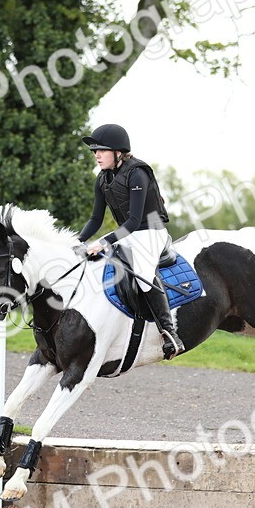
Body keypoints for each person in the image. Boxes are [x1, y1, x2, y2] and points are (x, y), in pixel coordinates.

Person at [77, 123, 185, 360]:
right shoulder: (102, 179)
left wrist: (104, 243)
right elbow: (95, 219)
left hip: (150, 231)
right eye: (95, 151)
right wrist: (77, 241)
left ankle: (169, 333)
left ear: (118, 152)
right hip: (128, 234)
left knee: (144, 273)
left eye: (101, 150)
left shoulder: (137, 172)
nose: (96, 155)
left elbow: (135, 221)